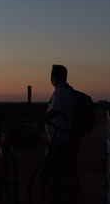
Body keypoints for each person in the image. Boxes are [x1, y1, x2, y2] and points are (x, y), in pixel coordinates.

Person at [38, 64, 80, 204]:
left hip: (61, 138)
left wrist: (39, 118)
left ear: (54, 77)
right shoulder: (66, 91)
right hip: (63, 137)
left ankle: (58, 195)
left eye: (51, 75)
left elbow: (54, 112)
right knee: (65, 169)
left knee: (55, 169)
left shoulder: (60, 92)